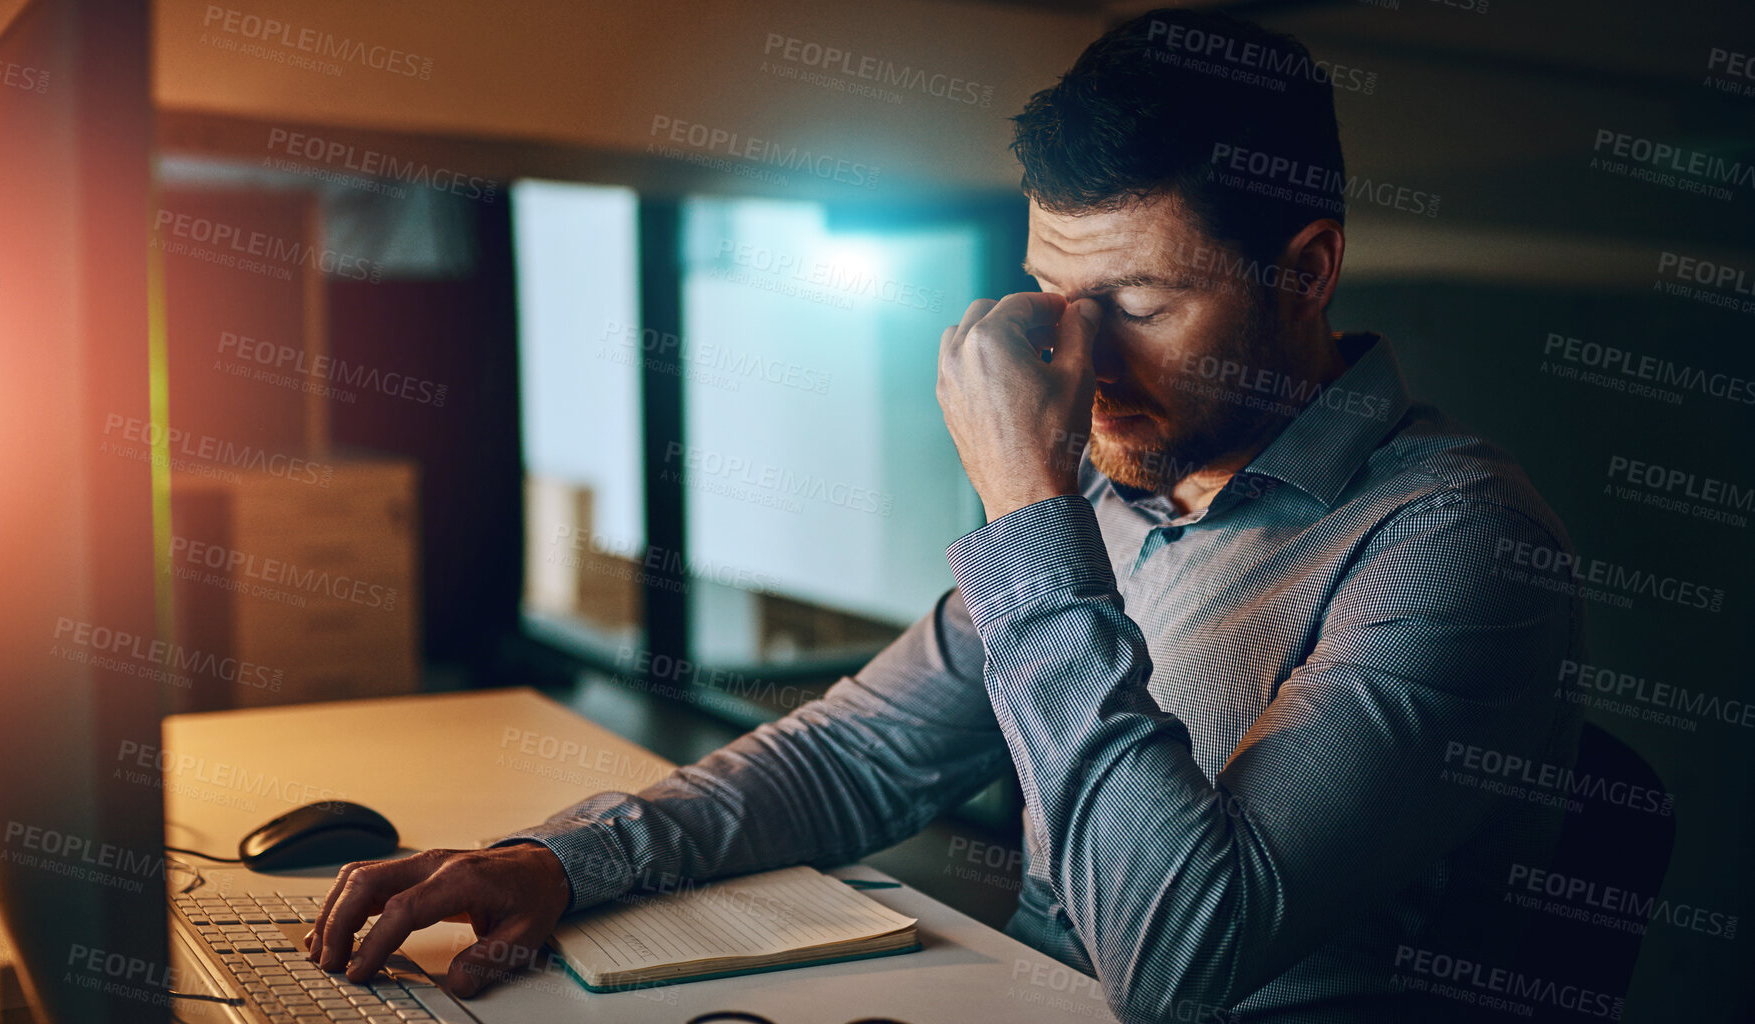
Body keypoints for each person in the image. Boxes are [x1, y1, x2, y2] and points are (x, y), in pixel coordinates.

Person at [305, 9, 1583, 1021]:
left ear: (1306, 271)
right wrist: (562, 858)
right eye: (1051, 297)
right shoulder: (1112, 497)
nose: (1084, 366)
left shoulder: (1455, 542)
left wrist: (1027, 504)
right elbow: (857, 751)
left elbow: (1180, 959)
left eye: (1138, 302)